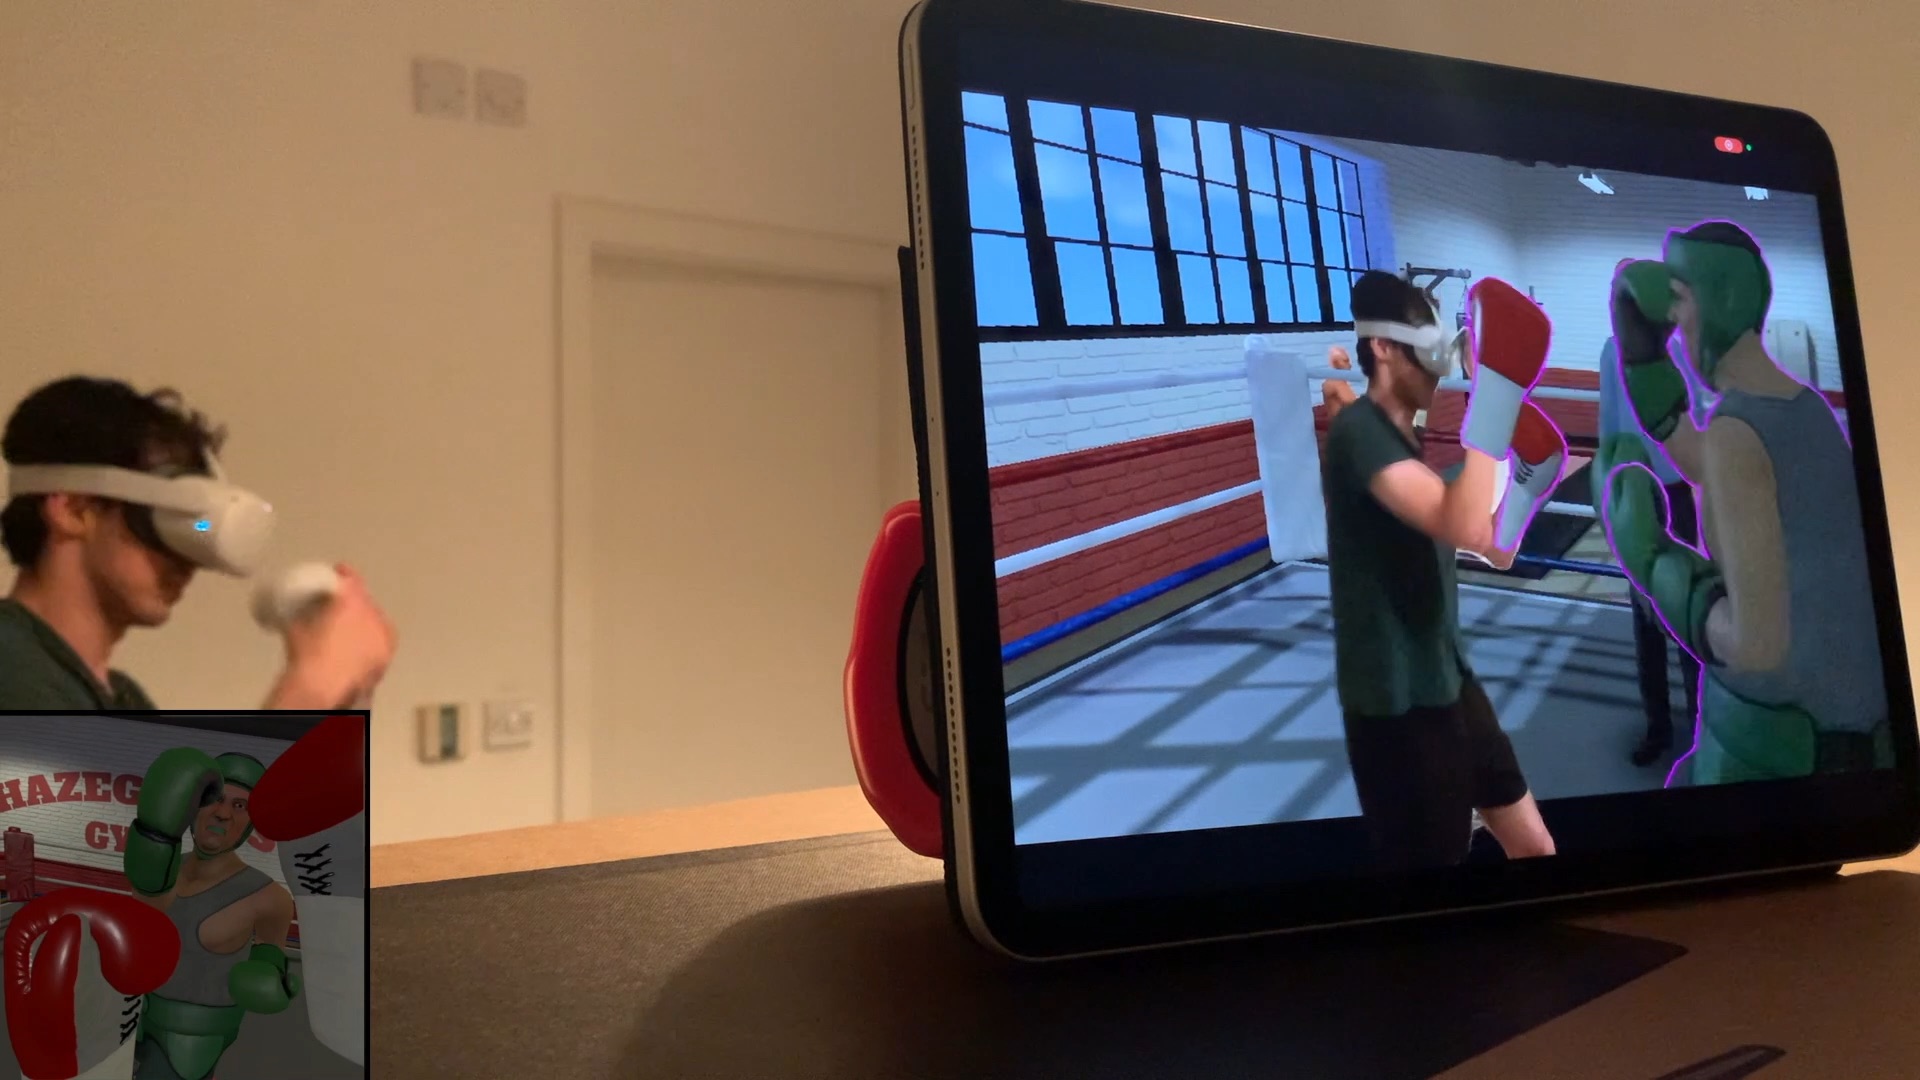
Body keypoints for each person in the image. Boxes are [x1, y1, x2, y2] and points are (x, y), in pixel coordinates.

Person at [1596, 221, 1888, 784]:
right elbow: (1709, 465)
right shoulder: (1802, 407)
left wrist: (1654, 565)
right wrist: (1646, 369)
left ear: (1721, 298)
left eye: (1679, 298)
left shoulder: (1737, 430)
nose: (1671, 319)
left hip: (1783, 753)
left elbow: (1755, 648)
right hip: (1845, 735)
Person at [1321, 270, 1558, 871]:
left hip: (1449, 680)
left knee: (1535, 848)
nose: (1440, 368)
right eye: (1426, 352)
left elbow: (1494, 548)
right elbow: (1463, 525)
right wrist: (1496, 396)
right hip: (1398, 708)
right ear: (1383, 348)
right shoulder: (1359, 435)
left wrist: (1525, 490)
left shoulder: (1405, 445)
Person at [0, 376, 396, 710]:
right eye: (171, 523)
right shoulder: (11, 667)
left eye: (201, 528)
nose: (189, 561)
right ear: (73, 510)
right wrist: (314, 687)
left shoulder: (123, 699)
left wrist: (344, 692)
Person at [124, 750, 299, 1080]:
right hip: (131, 1019)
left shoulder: (269, 898)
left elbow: (269, 957)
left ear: (251, 821)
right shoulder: (159, 869)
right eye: (214, 800)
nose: (222, 813)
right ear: (192, 805)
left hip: (192, 1040)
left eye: (239, 805)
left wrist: (271, 977)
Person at [1597, 330, 1703, 767]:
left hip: (1676, 488)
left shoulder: (1677, 347)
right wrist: (1609, 486)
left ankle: (1700, 725)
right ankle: (1657, 726)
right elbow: (1608, 420)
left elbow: (1696, 415)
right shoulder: (1612, 349)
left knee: (1687, 603)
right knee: (1644, 613)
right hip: (1636, 484)